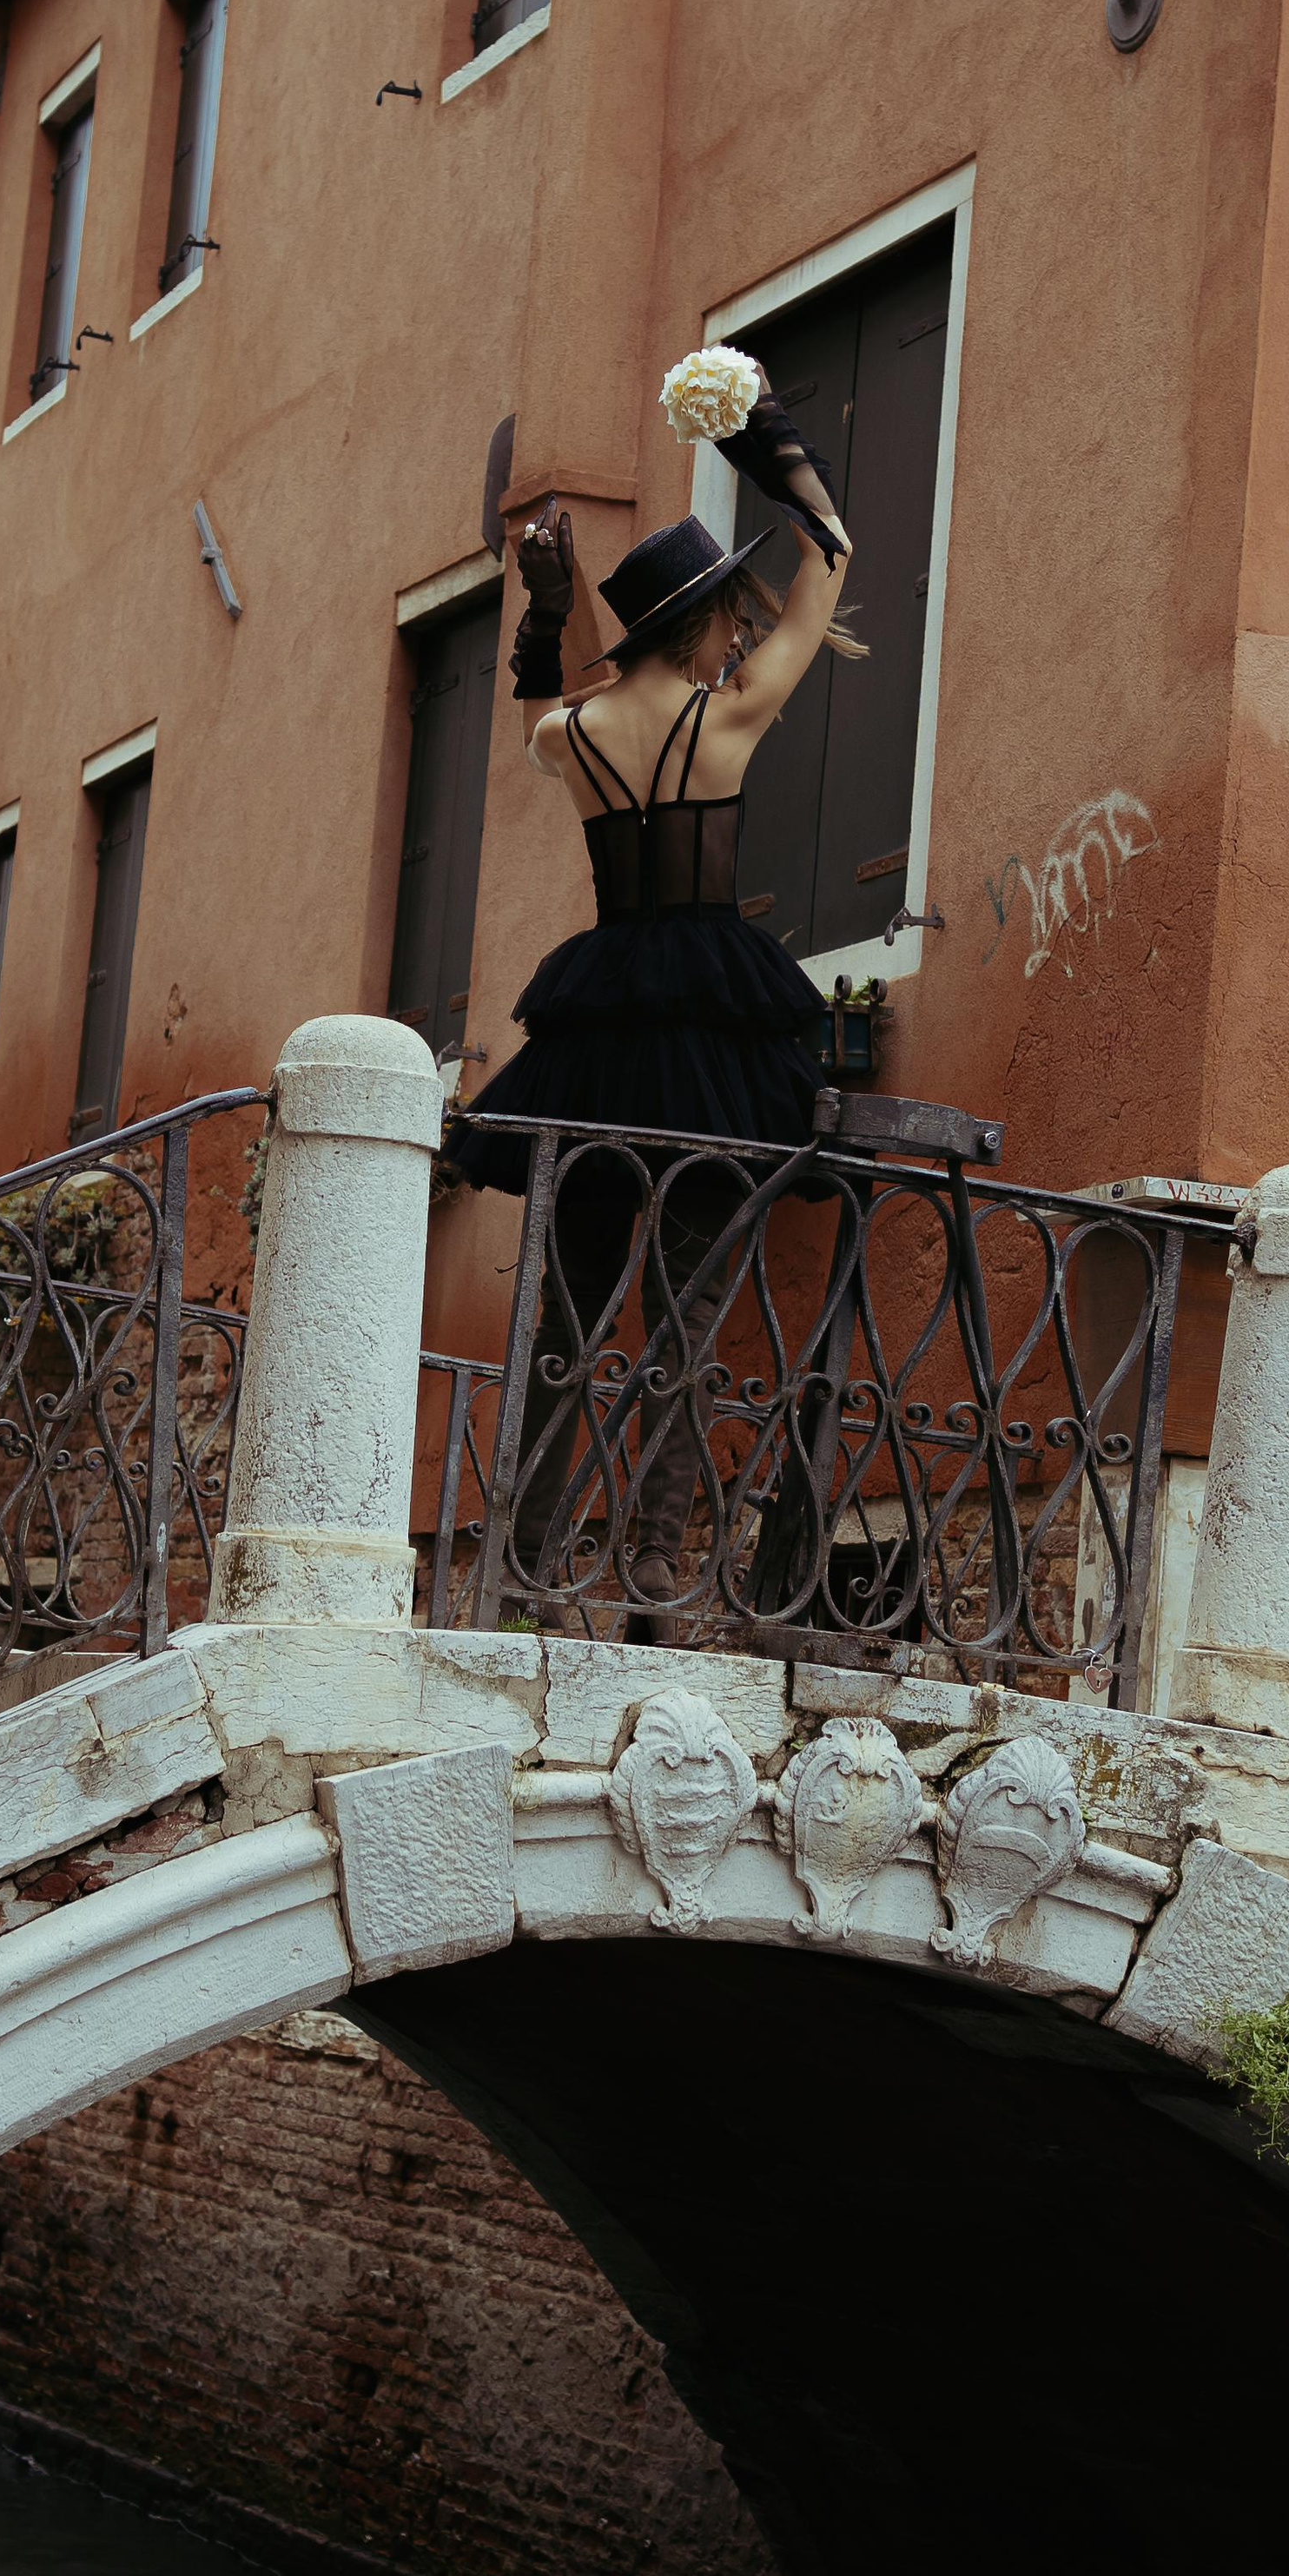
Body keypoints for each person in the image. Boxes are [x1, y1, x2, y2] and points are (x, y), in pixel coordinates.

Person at [446, 362, 861, 1629]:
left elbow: (536, 694)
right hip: (709, 1039)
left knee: (565, 1312)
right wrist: (770, 443)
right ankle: (658, 1576)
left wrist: (547, 606)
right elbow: (832, 556)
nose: (741, 632)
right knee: (690, 1319)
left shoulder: (569, 740)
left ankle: (516, 1570)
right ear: (700, 626)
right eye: (727, 617)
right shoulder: (725, 722)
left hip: (599, 1024)